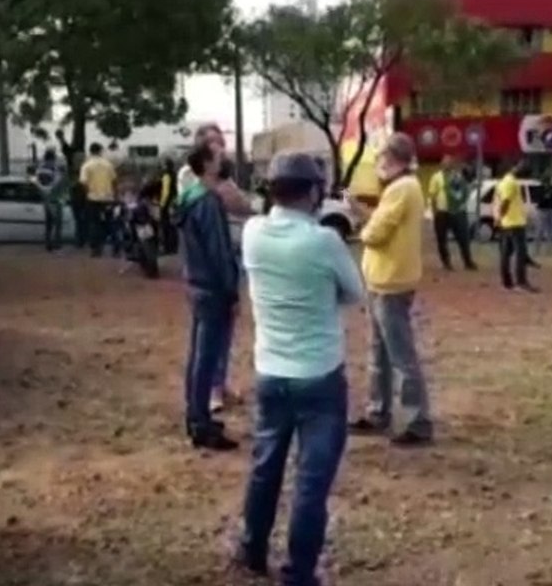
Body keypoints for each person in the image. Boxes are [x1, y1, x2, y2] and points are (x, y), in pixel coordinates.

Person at [235, 152, 364, 585]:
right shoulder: (324, 241)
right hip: (320, 376)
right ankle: (299, 572)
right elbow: (355, 292)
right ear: (312, 192)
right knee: (311, 481)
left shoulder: (253, 233)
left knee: (265, 465)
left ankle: (251, 550)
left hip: (270, 371)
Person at [346, 133, 434, 446]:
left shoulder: (400, 189)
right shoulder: (403, 189)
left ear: (393, 159)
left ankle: (417, 420)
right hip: (385, 280)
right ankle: (378, 411)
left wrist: (364, 225)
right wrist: (364, 217)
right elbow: (381, 226)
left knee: (399, 354)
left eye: (382, 158)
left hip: (391, 282)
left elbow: (375, 234)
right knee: (380, 351)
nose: (378, 165)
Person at [177, 144, 241, 450]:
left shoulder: (188, 197)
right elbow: (220, 252)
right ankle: (201, 424)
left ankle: (195, 413)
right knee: (207, 357)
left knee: (197, 357)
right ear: (206, 164)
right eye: (217, 157)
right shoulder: (209, 202)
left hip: (195, 283)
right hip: (213, 288)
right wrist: (232, 290)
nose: (223, 160)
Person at [426, 156, 477, 271]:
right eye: (445, 163)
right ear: (441, 164)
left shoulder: (457, 176)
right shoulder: (436, 177)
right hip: (442, 211)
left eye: (450, 163)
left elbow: (464, 190)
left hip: (457, 211)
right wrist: (434, 212)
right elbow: (432, 195)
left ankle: (468, 261)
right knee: (442, 239)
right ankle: (446, 262)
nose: (447, 165)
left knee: (463, 238)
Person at [496, 159, 537, 293]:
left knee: (506, 254)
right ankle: (521, 282)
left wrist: (500, 218)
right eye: (521, 166)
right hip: (514, 223)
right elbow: (505, 202)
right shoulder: (510, 182)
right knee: (520, 253)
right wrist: (500, 217)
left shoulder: (503, 182)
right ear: (514, 166)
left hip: (508, 223)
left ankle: (507, 282)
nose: (523, 170)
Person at [79, 143, 118, 257]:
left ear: (90, 151)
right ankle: (116, 247)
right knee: (110, 222)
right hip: (108, 198)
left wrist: (88, 193)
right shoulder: (108, 165)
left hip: (93, 198)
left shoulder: (87, 165)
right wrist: (115, 196)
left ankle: (96, 249)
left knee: (94, 223)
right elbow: (114, 181)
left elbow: (83, 182)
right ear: (100, 151)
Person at [34, 149, 66, 252]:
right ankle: (57, 244)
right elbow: (58, 182)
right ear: (53, 158)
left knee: (48, 222)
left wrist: (44, 191)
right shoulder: (54, 168)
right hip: (55, 198)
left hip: (45, 198)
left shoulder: (39, 169)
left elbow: (38, 183)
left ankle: (48, 243)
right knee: (58, 222)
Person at [532, 174, 552, 257]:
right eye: (546, 181)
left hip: (551, 210)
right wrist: (545, 198)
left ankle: (549, 251)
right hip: (542, 210)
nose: (547, 183)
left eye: (548, 181)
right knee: (540, 231)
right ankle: (536, 250)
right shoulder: (539, 189)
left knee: (550, 231)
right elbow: (536, 199)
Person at [159, 157, 179, 255]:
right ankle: (174, 247)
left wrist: (162, 204)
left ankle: (167, 248)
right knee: (173, 225)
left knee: (165, 225)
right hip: (174, 202)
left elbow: (165, 191)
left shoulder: (166, 175)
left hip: (167, 203)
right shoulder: (175, 174)